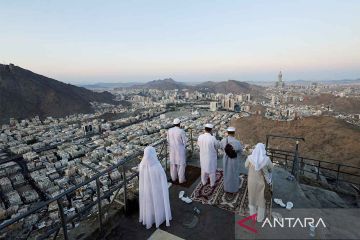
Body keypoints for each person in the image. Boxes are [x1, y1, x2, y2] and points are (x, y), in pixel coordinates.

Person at [139, 146, 172, 229]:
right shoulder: (156, 165)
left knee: (149, 203)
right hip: (157, 189)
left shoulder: (142, 165)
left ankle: (150, 217)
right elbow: (163, 177)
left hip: (147, 189)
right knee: (157, 202)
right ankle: (159, 217)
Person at [245, 143, 273, 222]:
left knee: (252, 197)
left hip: (251, 181)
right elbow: (271, 169)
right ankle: (260, 218)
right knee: (261, 199)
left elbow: (246, 166)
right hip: (262, 182)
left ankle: (252, 215)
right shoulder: (266, 159)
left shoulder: (250, 158)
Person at [220, 127, 242, 193]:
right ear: (234, 133)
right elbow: (241, 152)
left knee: (226, 173)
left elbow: (221, 148)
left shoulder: (223, 140)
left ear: (227, 132)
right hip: (234, 160)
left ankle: (227, 188)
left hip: (226, 160)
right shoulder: (237, 142)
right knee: (234, 173)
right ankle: (234, 189)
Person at [167, 118, 187, 183]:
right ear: (179, 124)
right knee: (181, 165)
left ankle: (173, 178)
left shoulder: (169, 130)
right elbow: (184, 141)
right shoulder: (181, 131)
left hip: (172, 149)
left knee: (173, 164)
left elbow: (167, 140)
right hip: (179, 149)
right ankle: (181, 180)